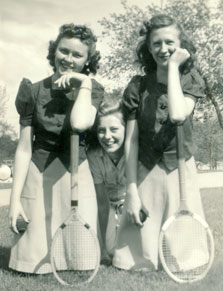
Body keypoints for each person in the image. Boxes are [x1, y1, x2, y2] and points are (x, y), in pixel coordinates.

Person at [113, 14, 206, 271]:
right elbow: (130, 141)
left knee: (183, 257)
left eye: (169, 42)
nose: (163, 49)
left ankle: (182, 259)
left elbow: (177, 114)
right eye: (156, 44)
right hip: (146, 167)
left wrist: (174, 68)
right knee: (139, 258)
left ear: (181, 44)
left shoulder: (191, 79)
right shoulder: (137, 86)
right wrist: (131, 190)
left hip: (179, 166)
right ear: (148, 48)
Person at [9, 23, 104, 274]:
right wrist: (14, 200)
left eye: (77, 55)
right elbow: (23, 149)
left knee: (79, 260)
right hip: (39, 172)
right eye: (64, 51)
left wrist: (83, 83)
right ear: (54, 52)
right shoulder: (33, 90)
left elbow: (80, 122)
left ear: (87, 60)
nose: (69, 59)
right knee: (32, 260)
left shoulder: (93, 89)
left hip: (77, 171)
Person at [86, 103, 126, 264]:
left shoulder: (135, 153)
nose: (107, 136)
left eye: (114, 129)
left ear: (126, 128)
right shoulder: (94, 156)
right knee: (110, 251)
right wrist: (102, 248)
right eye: (101, 130)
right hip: (108, 206)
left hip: (129, 205)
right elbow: (102, 203)